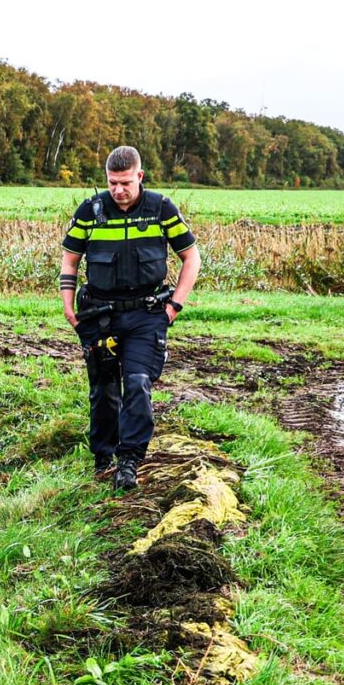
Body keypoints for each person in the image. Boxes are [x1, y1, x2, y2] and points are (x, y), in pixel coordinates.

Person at [60, 145, 201, 490]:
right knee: (105, 389)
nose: (118, 190)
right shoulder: (90, 211)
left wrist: (174, 307)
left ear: (139, 176)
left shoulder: (161, 209)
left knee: (137, 382)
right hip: (99, 315)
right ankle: (103, 459)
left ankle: (129, 460)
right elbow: (70, 261)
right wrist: (68, 306)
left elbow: (191, 258)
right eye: (112, 183)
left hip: (147, 314)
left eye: (125, 182)